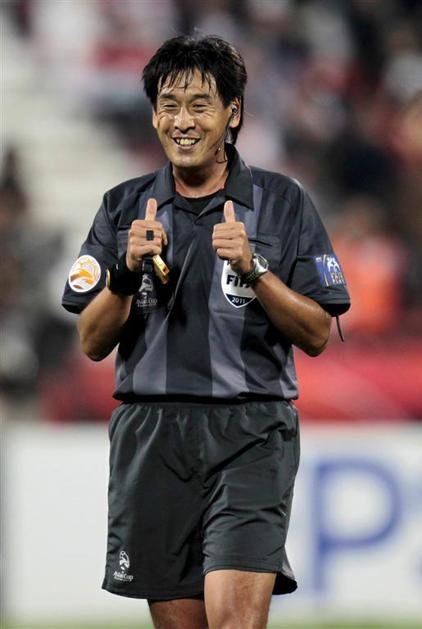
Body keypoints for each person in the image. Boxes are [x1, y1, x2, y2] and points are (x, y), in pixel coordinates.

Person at [62, 36, 350, 629]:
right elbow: (92, 341)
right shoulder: (122, 207)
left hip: (251, 431)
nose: (182, 121)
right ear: (153, 115)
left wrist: (256, 269)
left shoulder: (283, 202)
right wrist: (124, 274)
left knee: (235, 621)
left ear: (232, 113)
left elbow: (318, 332)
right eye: (169, 105)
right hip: (152, 435)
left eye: (200, 105)